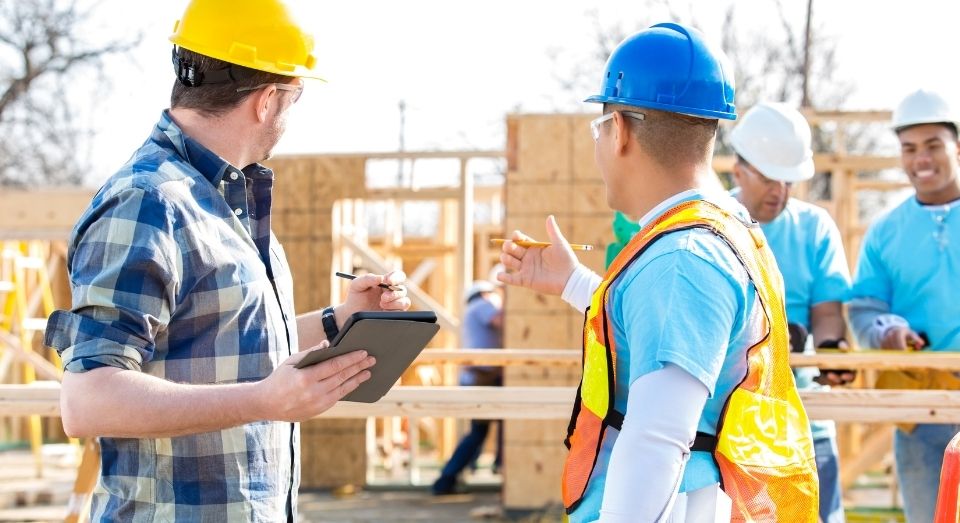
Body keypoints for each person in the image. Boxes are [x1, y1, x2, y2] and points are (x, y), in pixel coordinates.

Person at [42, 1, 410, 520]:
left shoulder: (222, 202)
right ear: (266, 101)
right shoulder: (149, 202)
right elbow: (88, 400)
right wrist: (263, 401)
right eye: (293, 98)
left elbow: (229, 345)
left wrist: (339, 321)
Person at [500, 23, 818, 522]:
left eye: (599, 126)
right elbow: (669, 336)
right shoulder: (717, 234)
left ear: (621, 130)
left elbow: (657, 439)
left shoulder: (682, 259)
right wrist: (574, 283)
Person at [848, 88, 960, 523]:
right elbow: (864, 309)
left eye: (933, 145)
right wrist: (886, 331)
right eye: (910, 148)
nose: (921, 159)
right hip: (919, 406)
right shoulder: (885, 233)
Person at [729, 102, 852, 523]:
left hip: (806, 416)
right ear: (737, 170)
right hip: (733, 421)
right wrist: (772, 335)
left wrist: (832, 348)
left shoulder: (814, 227)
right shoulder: (715, 223)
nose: (779, 191)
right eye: (767, 177)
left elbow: (828, 312)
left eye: (788, 180)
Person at [431, 279, 504, 495]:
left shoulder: (474, 309)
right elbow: (503, 320)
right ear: (484, 294)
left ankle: (457, 474)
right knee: (478, 433)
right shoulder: (483, 305)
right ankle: (445, 480)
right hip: (483, 378)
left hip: (481, 377)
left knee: (484, 431)